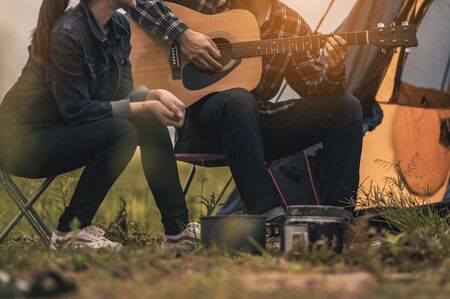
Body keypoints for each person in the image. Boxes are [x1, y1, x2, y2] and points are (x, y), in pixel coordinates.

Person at [130, 0, 364, 221]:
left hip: (258, 126)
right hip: (202, 126)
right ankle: (267, 215)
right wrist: (182, 35)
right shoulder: (207, 4)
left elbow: (312, 86)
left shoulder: (290, 24)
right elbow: (139, 3)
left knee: (346, 107)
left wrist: (333, 70)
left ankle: (338, 218)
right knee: (238, 99)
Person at [0, 0, 200, 250]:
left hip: (65, 130)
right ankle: (71, 230)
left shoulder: (117, 25)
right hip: (21, 143)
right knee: (122, 132)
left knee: (147, 121)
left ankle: (177, 230)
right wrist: (144, 105)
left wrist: (152, 95)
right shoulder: (66, 34)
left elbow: (121, 92)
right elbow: (78, 110)